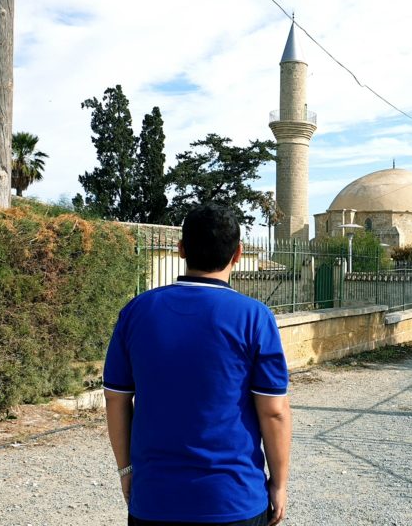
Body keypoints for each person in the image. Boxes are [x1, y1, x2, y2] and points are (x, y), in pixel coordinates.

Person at [103, 203, 292, 526]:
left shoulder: (136, 312)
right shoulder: (255, 317)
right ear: (237, 254)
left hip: (155, 499)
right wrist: (278, 483)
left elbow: (116, 399)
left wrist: (126, 471)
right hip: (234, 498)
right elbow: (273, 411)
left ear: (181, 250)